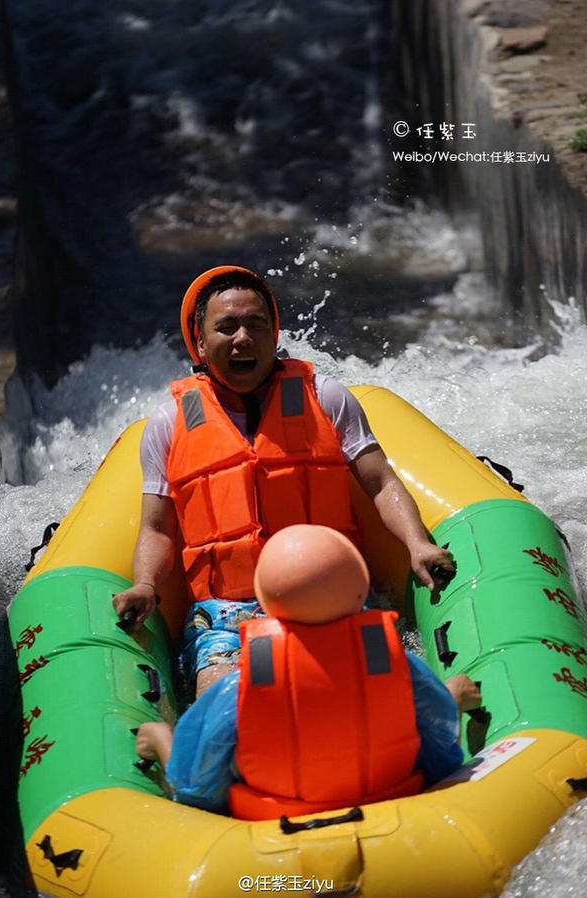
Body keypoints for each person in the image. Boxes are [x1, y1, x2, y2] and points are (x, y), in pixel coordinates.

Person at [113, 265, 453, 698]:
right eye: (227, 327)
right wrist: (145, 583)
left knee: (381, 701)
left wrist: (417, 544)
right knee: (232, 710)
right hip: (226, 615)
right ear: (199, 342)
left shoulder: (325, 397)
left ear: (275, 334)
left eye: (257, 324)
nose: (243, 338)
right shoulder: (169, 423)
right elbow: (156, 527)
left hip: (332, 591)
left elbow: (381, 483)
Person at [135, 525, 481, 818]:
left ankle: (160, 738)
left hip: (276, 817)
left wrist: (168, 746)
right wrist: (450, 701)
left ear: (265, 604)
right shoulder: (395, 662)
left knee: (189, 746)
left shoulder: (246, 683)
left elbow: (196, 783)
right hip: (392, 798)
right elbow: (440, 736)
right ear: (361, 590)